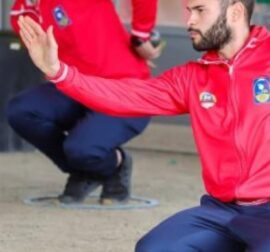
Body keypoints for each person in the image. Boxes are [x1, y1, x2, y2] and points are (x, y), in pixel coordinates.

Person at [18, 0, 270, 251]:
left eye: (198, 11)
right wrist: (59, 72)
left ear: (235, 12)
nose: (188, 20)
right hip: (222, 212)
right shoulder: (192, 77)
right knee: (153, 249)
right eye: (188, 10)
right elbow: (127, 97)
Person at [6, 0, 161, 204]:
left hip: (125, 88)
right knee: (21, 110)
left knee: (82, 149)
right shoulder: (22, 12)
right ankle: (88, 169)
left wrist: (141, 35)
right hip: (73, 86)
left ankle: (115, 164)